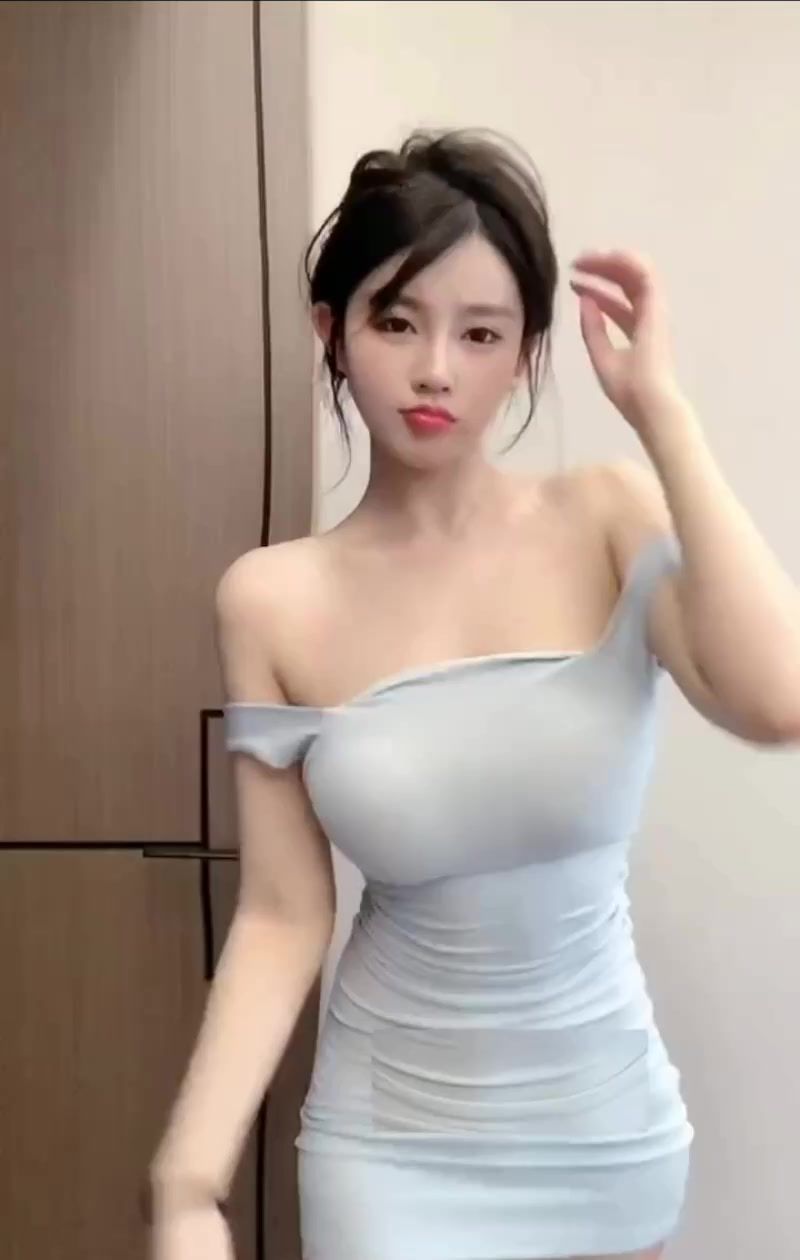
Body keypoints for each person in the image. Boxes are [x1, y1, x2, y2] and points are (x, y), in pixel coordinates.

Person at [149, 129, 800, 1260]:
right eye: (396, 322)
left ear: (526, 354)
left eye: (482, 333)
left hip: (602, 1135)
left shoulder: (605, 518)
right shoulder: (270, 600)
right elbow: (283, 912)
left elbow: (776, 700)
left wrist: (663, 413)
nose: (436, 369)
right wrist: (185, 1183)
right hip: (385, 1147)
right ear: (332, 333)